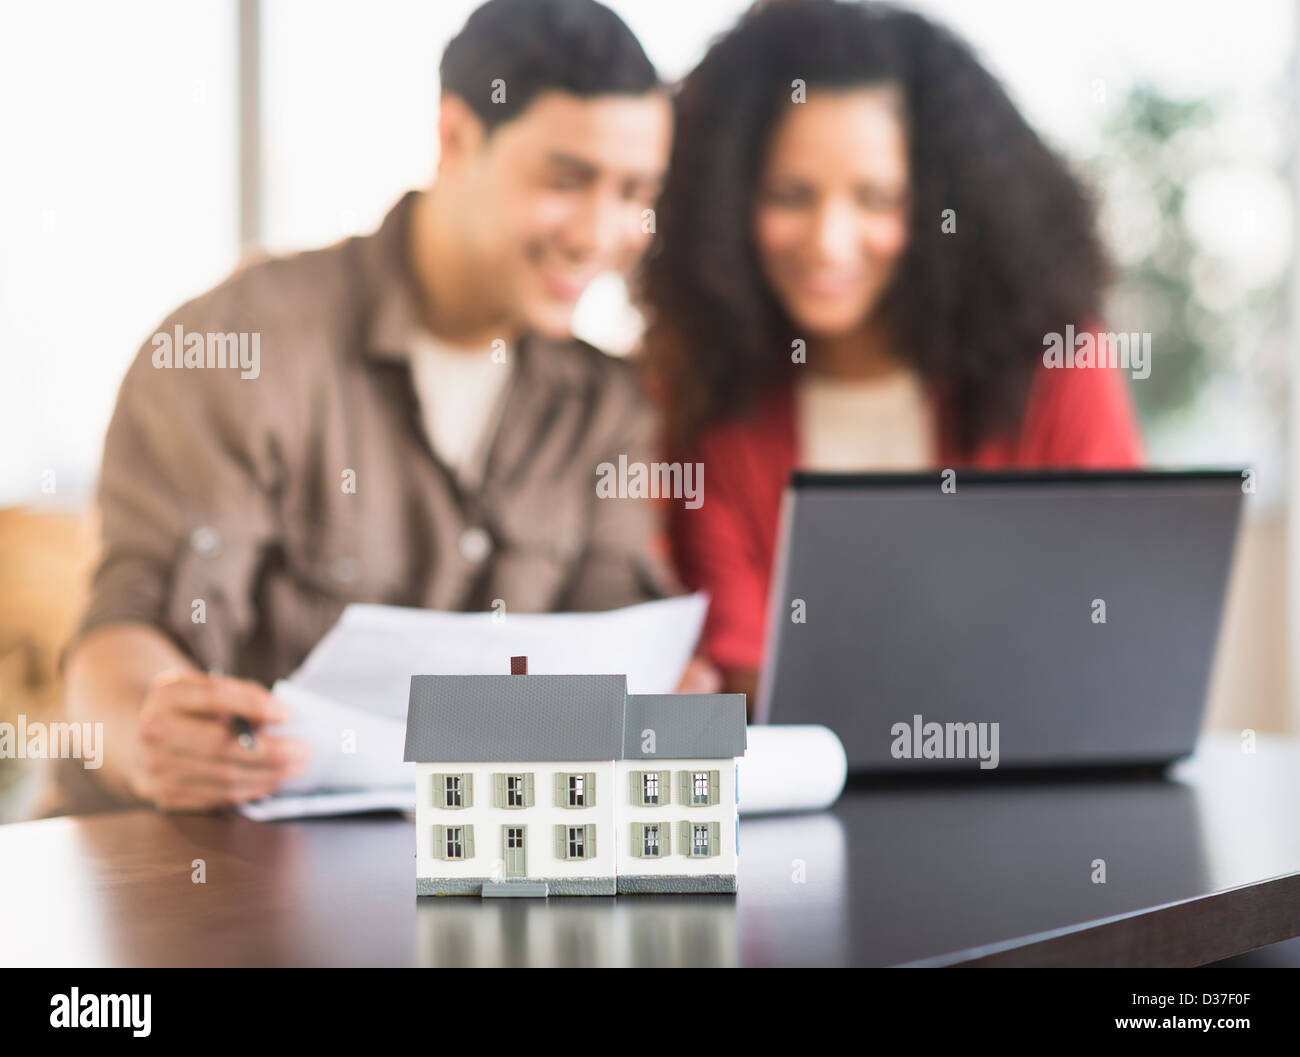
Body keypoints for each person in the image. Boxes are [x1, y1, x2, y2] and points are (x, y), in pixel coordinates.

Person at [64, 0, 678, 811]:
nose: (602, 231)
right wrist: (154, 731)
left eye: (635, 191)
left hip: (432, 882)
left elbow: (613, 642)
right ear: (456, 137)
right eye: (567, 181)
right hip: (188, 869)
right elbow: (127, 629)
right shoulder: (241, 345)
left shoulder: (607, 406)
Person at [642, 0, 1143, 702]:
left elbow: (1118, 618)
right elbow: (738, 664)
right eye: (791, 195)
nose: (828, 241)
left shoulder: (1058, 364)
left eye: (876, 199)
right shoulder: (706, 394)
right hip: (802, 798)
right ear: (727, 201)